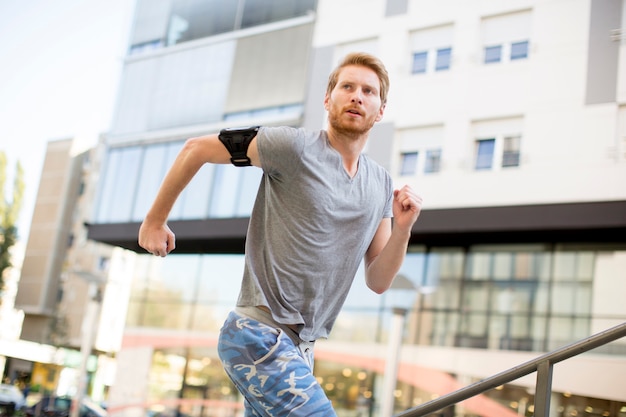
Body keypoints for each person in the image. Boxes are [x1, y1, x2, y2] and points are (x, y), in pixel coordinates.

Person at [138, 52, 422, 416]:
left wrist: (403, 228)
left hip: (302, 351)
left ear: (380, 110)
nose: (357, 96)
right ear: (327, 98)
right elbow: (196, 149)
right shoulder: (293, 147)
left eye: (368, 91)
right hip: (257, 334)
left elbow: (379, 280)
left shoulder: (380, 184)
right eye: (347, 86)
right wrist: (154, 221)